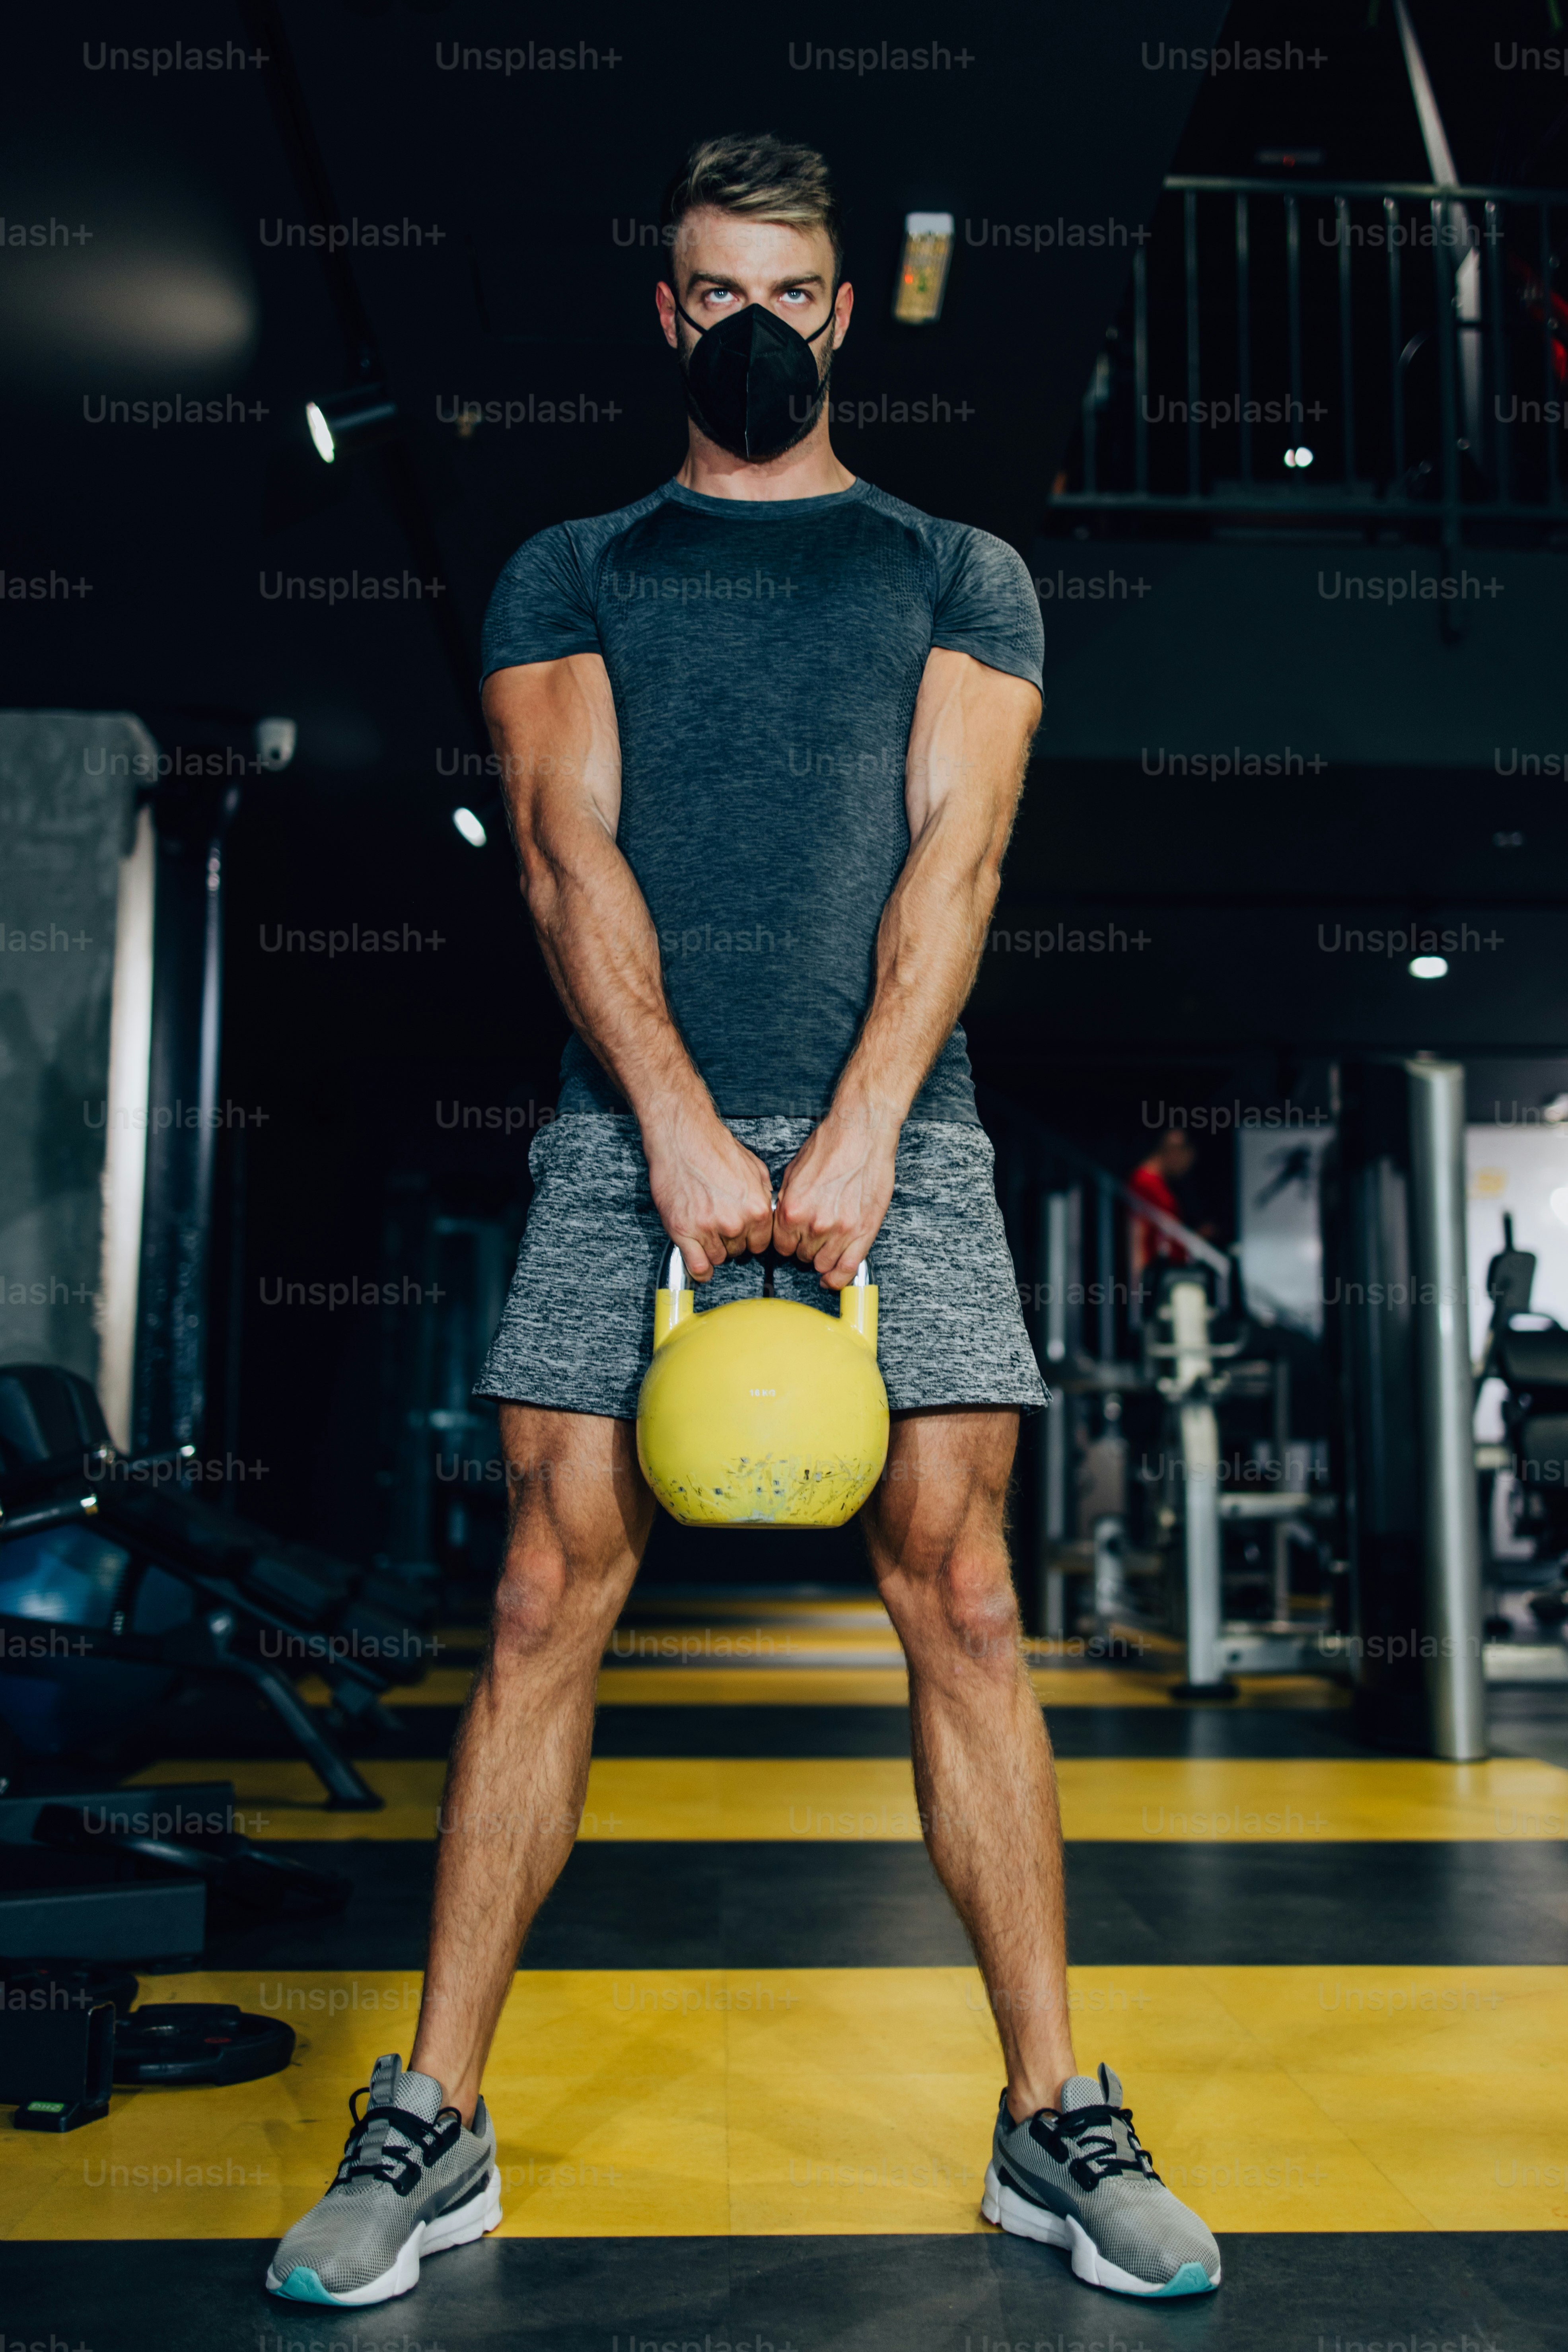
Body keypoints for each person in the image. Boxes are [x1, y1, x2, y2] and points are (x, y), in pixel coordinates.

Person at [267, 132, 1220, 2308]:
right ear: (670, 315)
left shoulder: (954, 567)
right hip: (631, 1135)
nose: (761, 323)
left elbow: (955, 863)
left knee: (967, 1604)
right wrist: (684, 1130)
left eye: (795, 289)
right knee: (538, 1596)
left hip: (922, 1126)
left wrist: (869, 1120)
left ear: (842, 313)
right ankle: (436, 2115)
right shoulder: (571, 566)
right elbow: (562, 859)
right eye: (720, 292)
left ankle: (1048, 2116)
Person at [1127, 1127, 1198, 1293]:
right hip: (1157, 1273)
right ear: (1175, 1152)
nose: (1185, 1168)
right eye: (1187, 1161)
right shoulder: (1144, 1181)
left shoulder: (1160, 1183)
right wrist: (1137, 1284)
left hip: (1171, 1271)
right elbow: (1137, 1232)